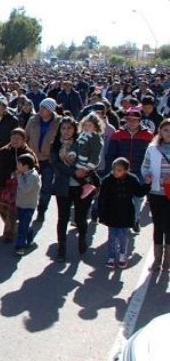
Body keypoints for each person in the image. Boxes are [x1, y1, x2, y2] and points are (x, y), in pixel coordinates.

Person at [106, 108, 153, 233]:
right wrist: (112, 170)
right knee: (122, 198)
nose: (131, 122)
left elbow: (151, 155)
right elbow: (111, 154)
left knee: (138, 198)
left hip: (140, 171)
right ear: (125, 120)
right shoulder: (117, 134)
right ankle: (123, 221)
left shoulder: (148, 135)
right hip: (122, 172)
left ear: (139, 121)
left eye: (135, 120)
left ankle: (135, 219)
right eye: (129, 120)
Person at [51, 117, 91, 262]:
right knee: (63, 218)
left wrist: (82, 172)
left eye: (69, 128)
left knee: (80, 218)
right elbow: (57, 164)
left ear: (75, 129)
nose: (66, 131)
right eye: (63, 128)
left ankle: (82, 238)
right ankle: (61, 248)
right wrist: (74, 172)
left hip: (81, 186)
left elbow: (87, 162)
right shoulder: (55, 145)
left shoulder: (82, 144)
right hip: (63, 186)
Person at [0, 129, 37, 242]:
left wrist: (22, 172)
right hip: (2, 184)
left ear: (24, 140)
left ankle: (9, 233)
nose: (15, 141)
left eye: (18, 139)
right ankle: (12, 224)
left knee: (11, 210)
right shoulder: (4, 150)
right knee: (0, 206)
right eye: (13, 138)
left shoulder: (28, 153)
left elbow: (35, 168)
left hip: (18, 187)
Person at [99, 158, 149, 269]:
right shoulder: (108, 180)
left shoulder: (132, 179)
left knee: (123, 236)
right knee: (112, 236)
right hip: (111, 213)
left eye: (119, 170)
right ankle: (111, 257)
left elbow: (139, 192)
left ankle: (122, 255)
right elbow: (102, 198)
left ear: (126, 170)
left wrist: (147, 184)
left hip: (126, 213)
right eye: (114, 169)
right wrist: (101, 214)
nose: (116, 172)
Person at [25, 98, 61, 222]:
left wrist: (55, 157)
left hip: (48, 160)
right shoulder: (33, 120)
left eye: (44, 108)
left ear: (50, 110)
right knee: (29, 185)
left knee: (46, 187)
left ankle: (41, 210)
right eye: (41, 106)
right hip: (33, 158)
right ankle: (26, 209)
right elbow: (26, 136)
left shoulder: (58, 122)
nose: (41, 109)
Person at [141, 118, 170, 272]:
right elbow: (145, 166)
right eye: (165, 130)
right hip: (156, 192)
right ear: (160, 131)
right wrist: (147, 176)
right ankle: (157, 260)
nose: (168, 133)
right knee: (158, 225)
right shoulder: (152, 148)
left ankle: (167, 261)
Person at [14, 154, 41, 255]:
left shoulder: (33, 176)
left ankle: (20, 247)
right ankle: (31, 241)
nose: (17, 165)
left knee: (22, 227)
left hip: (29, 206)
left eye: (19, 164)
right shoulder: (25, 173)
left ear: (25, 166)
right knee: (24, 224)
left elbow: (26, 189)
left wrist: (19, 176)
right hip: (21, 204)